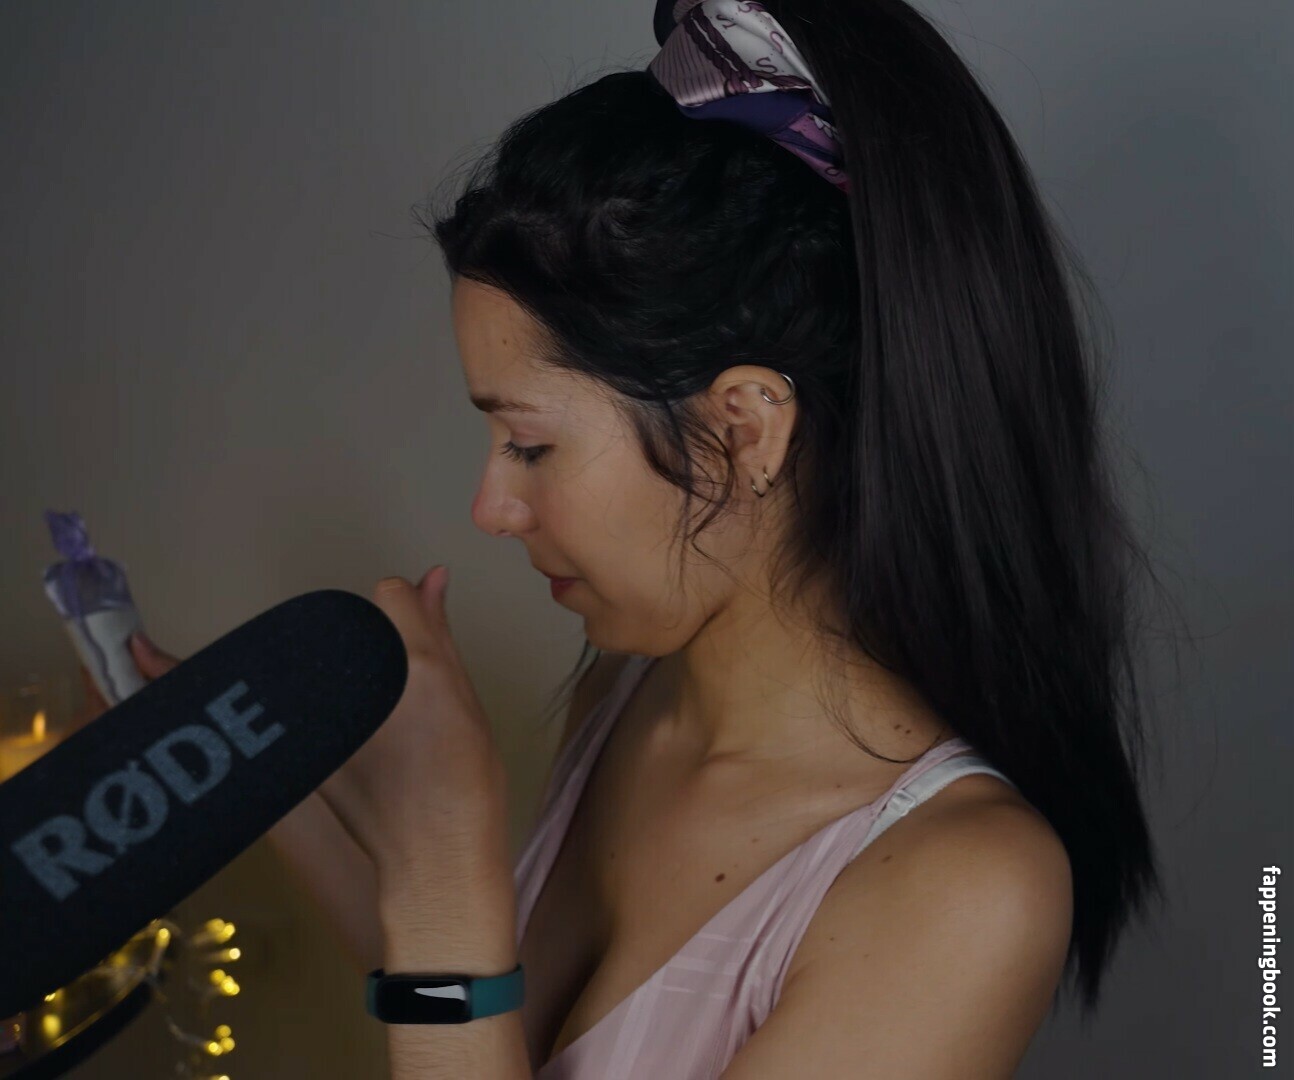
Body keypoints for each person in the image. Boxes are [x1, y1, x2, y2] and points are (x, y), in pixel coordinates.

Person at [97, 1, 1169, 1075]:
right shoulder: (633, 695)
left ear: (743, 429)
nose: (491, 508)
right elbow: (481, 1026)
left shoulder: (968, 887)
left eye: (529, 444)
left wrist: (444, 857)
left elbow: (451, 957)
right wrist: (245, 778)